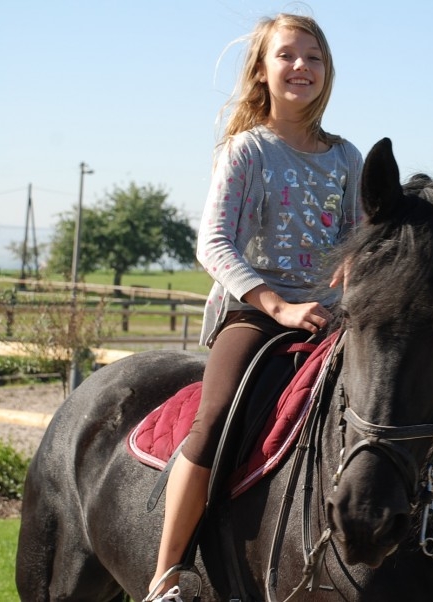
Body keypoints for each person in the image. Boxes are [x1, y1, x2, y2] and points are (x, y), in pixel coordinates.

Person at [145, 13, 362, 602]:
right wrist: (278, 306)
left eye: (314, 57)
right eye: (287, 55)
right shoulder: (248, 150)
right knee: (214, 421)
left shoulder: (346, 157)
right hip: (255, 313)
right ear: (262, 71)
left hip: (331, 317)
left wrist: (357, 259)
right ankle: (165, 576)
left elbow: (358, 236)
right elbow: (213, 243)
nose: (302, 66)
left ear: (327, 71)